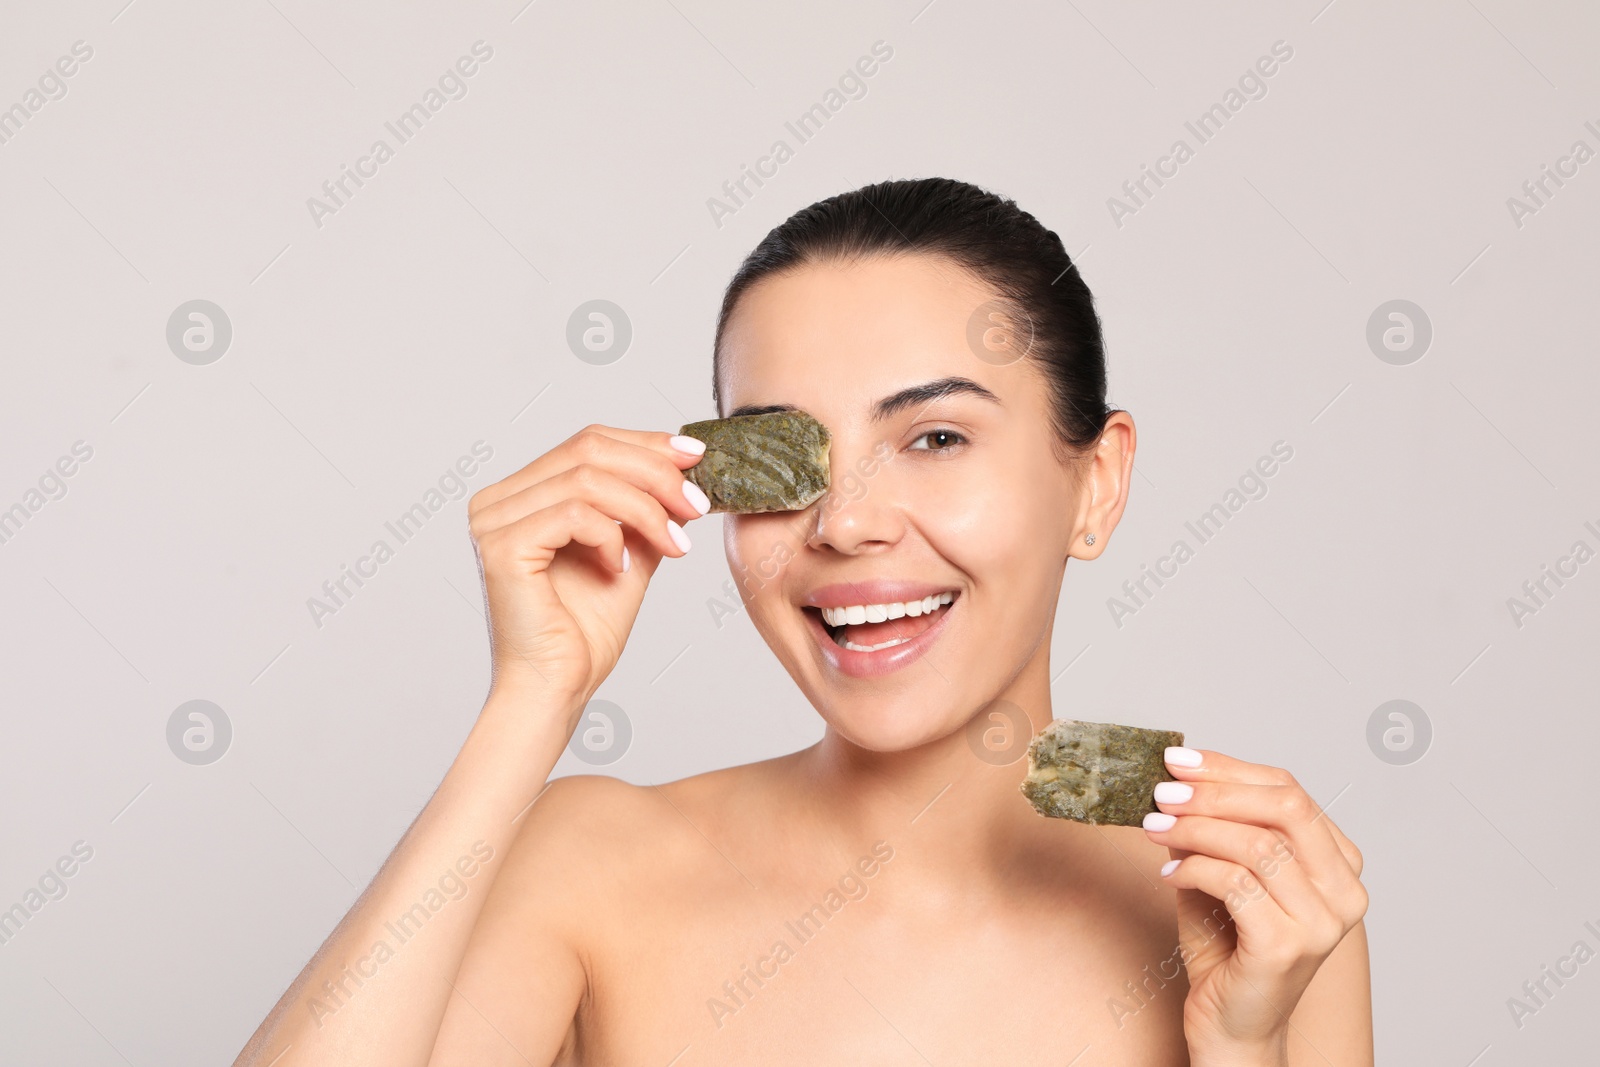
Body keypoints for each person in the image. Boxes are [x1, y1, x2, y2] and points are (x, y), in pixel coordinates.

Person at [234, 177, 1371, 1066]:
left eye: (933, 437)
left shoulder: (1252, 900)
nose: (845, 523)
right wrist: (532, 697)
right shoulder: (590, 867)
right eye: (785, 455)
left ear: (1096, 482)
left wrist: (1241, 1044)